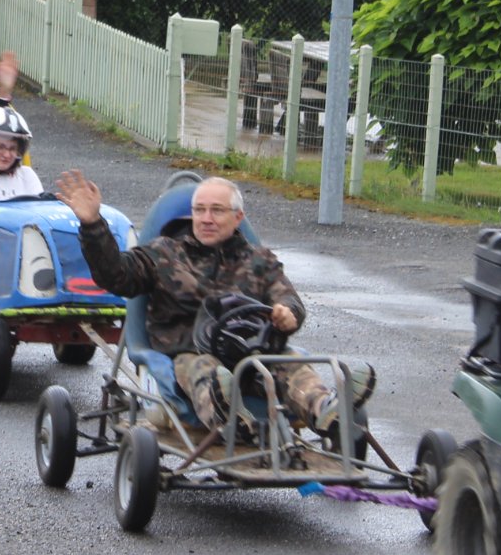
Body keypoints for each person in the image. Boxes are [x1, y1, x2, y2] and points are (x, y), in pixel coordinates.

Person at [60, 170, 356, 442]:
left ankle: (327, 411)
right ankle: (231, 421)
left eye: (217, 210)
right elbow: (115, 275)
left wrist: (288, 313)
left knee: (290, 364)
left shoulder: (259, 261)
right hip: (188, 353)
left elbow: (288, 298)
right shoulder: (164, 254)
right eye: (199, 210)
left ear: (238, 217)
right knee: (207, 371)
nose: (206, 218)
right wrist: (93, 225)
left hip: (252, 353)